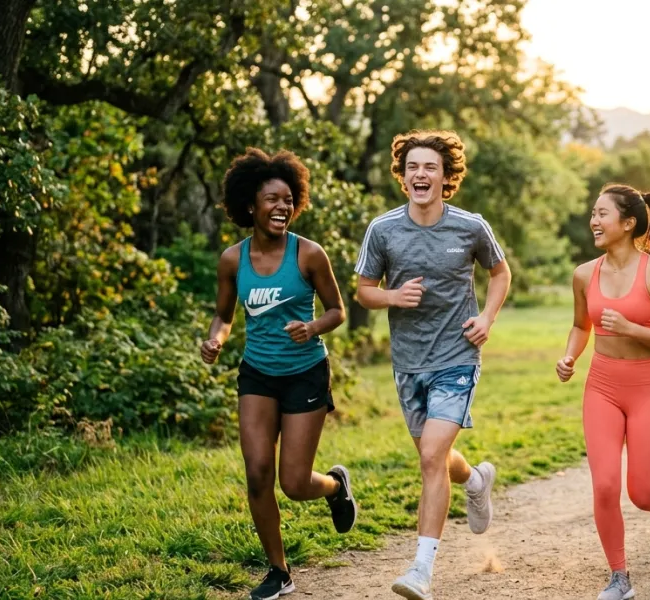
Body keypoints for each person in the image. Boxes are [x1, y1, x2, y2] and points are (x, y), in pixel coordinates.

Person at [353, 130, 511, 600]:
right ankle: (477, 478)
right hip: (408, 361)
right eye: (412, 168)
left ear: (446, 177)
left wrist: (487, 317)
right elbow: (363, 289)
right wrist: (392, 296)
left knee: (428, 458)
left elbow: (499, 272)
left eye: (430, 167)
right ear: (403, 178)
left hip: (457, 355)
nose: (420, 175)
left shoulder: (470, 226)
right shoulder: (383, 230)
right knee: (436, 458)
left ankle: (422, 568)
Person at [201, 148, 357, 600]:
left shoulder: (309, 254)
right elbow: (224, 315)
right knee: (257, 473)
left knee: (293, 482)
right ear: (250, 205)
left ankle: (333, 486)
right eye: (272, 199)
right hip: (258, 374)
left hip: (306, 371)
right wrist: (216, 339)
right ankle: (279, 570)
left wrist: (311, 328)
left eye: (288, 199)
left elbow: (338, 311)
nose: (282, 207)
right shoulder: (233, 259)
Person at [555, 183, 650, 600]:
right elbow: (579, 325)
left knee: (641, 491)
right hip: (602, 385)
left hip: (648, 387)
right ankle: (620, 577)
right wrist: (570, 356)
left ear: (627, 222)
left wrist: (630, 328)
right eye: (593, 213)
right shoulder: (584, 274)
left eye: (602, 214)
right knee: (605, 485)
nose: (594, 221)